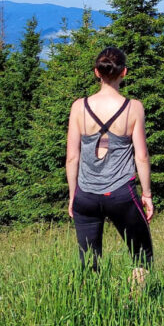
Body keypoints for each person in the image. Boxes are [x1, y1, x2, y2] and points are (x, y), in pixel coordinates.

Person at [65, 46, 154, 281]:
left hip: (86, 193)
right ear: (124, 72)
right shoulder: (133, 108)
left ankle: (93, 308)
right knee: (142, 255)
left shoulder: (78, 107)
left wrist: (73, 195)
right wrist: (147, 194)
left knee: (89, 262)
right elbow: (141, 156)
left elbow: (72, 157)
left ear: (97, 72)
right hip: (121, 194)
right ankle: (136, 303)